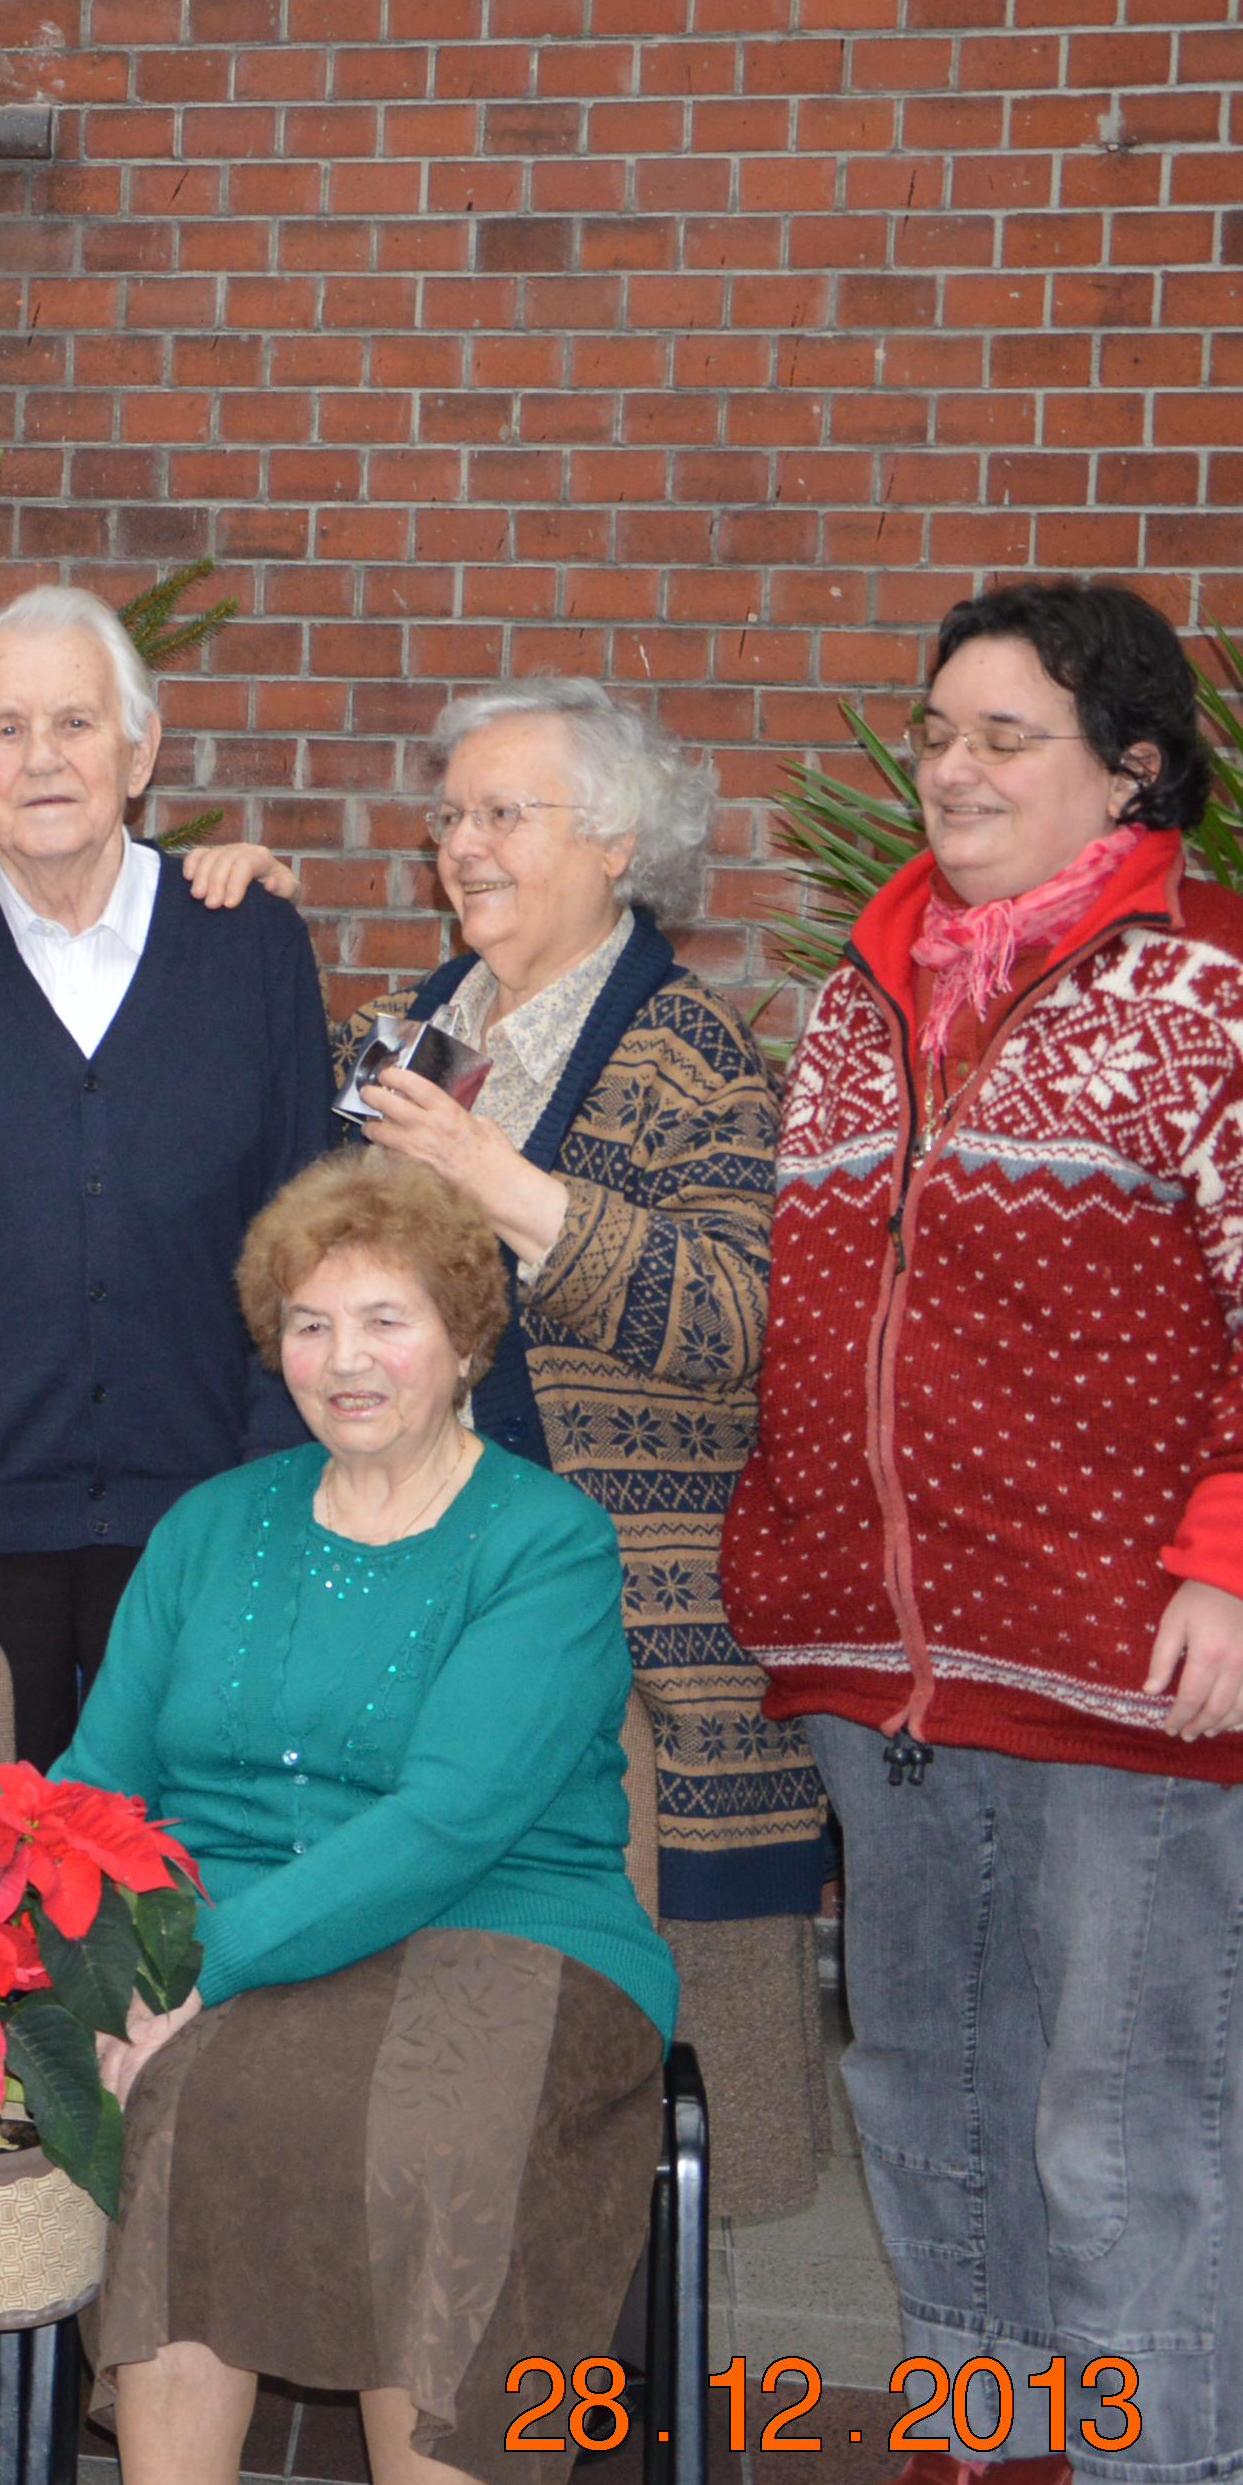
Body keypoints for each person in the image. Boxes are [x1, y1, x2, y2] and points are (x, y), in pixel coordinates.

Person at [726, 581, 1243, 2485]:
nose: (954, 766)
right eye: (939, 729)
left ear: (1133, 764)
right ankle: (1001, 2413)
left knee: (1123, 2109)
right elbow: (833, 1328)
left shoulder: (1241, 1002)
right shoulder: (867, 993)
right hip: (889, 1659)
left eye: (1007, 734)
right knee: (928, 2070)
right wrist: (794, 1563)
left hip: (1142, 1662)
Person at [70, 1152, 674, 2485]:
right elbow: (94, 1783)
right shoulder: (211, 1524)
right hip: (217, 1926)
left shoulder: (546, 1540)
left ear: (468, 1342)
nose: (347, 1360)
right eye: (311, 1323)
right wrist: (97, 1967)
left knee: (434, 2134)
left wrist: (204, 1966)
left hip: (510, 1919)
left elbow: (453, 1818)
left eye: (387, 1321)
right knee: (186, 2104)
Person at [335, 676, 827, 2219]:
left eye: (505, 814)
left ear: (617, 844)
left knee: (647, 2048)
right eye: (449, 817)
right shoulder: (417, 1032)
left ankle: (640, 2331)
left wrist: (500, 1181)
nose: (462, 846)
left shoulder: (695, 1056)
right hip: (428, 1589)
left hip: (631, 1623)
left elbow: (736, 1321)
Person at [0, 586, 339, 1768]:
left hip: (207, 1515)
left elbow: (312, 1236)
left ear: (141, 748)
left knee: (188, 1874)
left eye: (76, 725)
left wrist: (270, 1507)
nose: (40, 759)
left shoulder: (246, 945)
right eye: (4, 730)